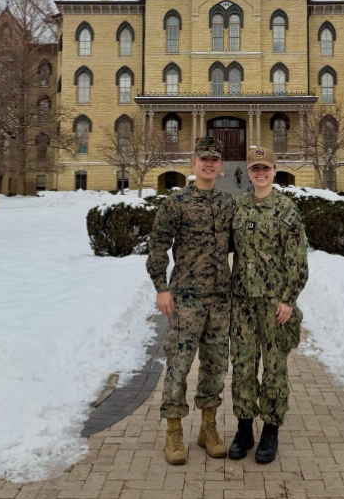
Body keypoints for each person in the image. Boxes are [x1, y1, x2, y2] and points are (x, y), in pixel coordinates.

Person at [146, 136, 234, 465]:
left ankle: (208, 429)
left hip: (220, 300)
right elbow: (157, 246)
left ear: (220, 166)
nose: (209, 164)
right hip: (185, 299)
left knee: (215, 367)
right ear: (193, 164)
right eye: (203, 159)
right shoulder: (176, 203)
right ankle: (173, 432)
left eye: (214, 159)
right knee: (179, 367)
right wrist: (161, 287)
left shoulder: (228, 204)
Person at [228, 146, 308, 464]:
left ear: (275, 170)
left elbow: (298, 261)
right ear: (248, 173)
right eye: (255, 168)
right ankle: (244, 428)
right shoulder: (238, 207)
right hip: (243, 303)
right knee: (244, 367)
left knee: (274, 370)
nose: (260, 173)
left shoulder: (286, 210)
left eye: (265, 168)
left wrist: (288, 300)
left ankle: (270, 431)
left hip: (275, 305)